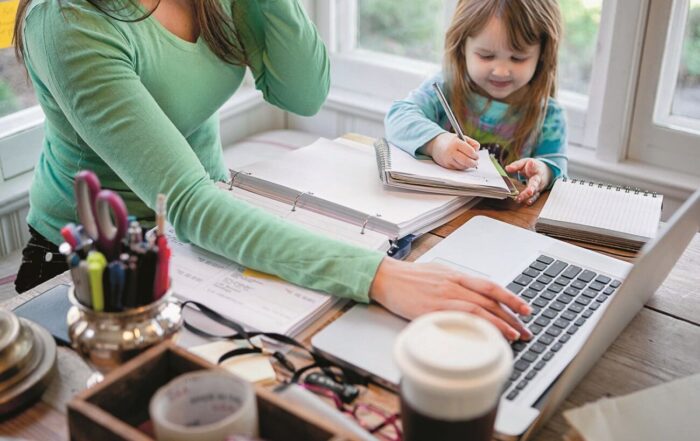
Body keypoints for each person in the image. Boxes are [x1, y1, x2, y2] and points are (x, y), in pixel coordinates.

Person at [13, 0, 531, 341]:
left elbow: (302, 95)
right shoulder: (65, 18)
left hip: (211, 230)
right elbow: (187, 202)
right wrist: (380, 276)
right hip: (98, 267)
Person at [385, 0, 567, 206]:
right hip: (436, 209)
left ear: (542, 55)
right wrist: (437, 142)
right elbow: (397, 115)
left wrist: (543, 172)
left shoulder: (549, 115)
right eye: (486, 55)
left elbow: (557, 172)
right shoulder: (446, 87)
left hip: (504, 222)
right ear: (462, 46)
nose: (501, 71)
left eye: (518, 58)